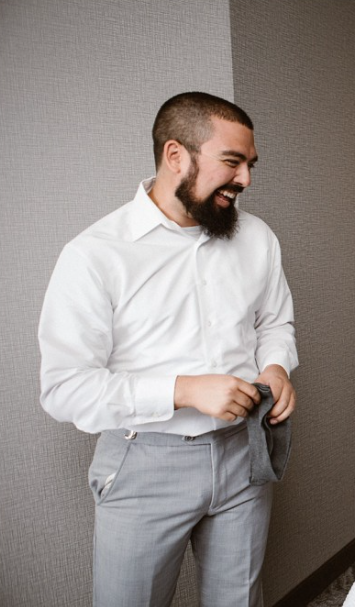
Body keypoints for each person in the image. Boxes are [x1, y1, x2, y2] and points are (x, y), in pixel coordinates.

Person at [38, 92, 298, 606]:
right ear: (175, 155)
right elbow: (64, 389)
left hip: (244, 454)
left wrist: (276, 366)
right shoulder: (94, 255)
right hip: (143, 462)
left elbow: (274, 320)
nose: (245, 179)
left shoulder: (258, 238)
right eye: (232, 162)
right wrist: (182, 390)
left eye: (250, 164)